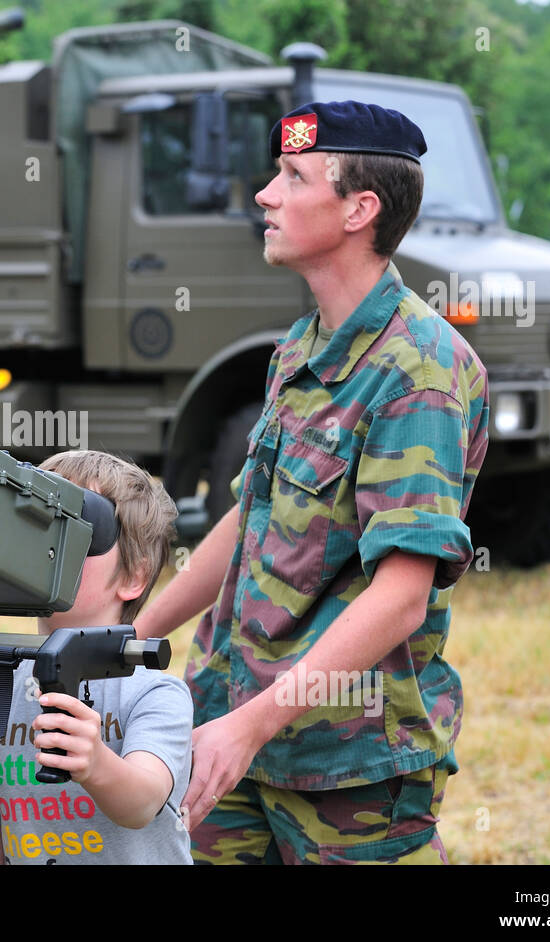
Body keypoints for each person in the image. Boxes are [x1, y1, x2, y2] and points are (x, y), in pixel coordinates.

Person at [132, 101, 490, 864]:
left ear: (360, 209)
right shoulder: (300, 345)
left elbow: (399, 600)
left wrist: (253, 722)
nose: (265, 195)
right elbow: (250, 516)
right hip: (230, 725)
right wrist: (136, 634)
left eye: (293, 178)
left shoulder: (417, 372)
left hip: (347, 764)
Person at [0, 450, 193, 864]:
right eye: (36, 528)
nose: (47, 548)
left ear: (134, 576)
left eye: (77, 532)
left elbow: (142, 803)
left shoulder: (157, 694)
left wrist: (97, 765)